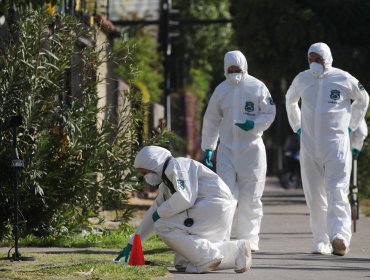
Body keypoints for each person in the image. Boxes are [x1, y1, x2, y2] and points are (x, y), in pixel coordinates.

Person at [285, 42, 369, 256]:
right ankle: (321, 240)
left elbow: (363, 98)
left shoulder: (343, 78)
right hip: (310, 145)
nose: (314, 63)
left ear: (328, 59)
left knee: (337, 190)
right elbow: (290, 100)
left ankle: (339, 237)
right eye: (311, 59)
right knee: (314, 195)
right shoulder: (302, 79)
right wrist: (297, 126)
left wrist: (352, 125)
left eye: (318, 59)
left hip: (337, 145)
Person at [117, 146, 252, 274]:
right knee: (182, 261)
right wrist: (134, 241)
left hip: (211, 206)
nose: (145, 177)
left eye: (145, 172)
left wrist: (160, 213)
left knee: (162, 225)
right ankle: (237, 252)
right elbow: (154, 212)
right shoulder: (166, 183)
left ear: (153, 164)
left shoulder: (177, 166)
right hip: (215, 210)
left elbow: (185, 198)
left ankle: (207, 257)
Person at [201, 50, 276, 251]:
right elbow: (211, 119)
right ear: (225, 70)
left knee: (250, 197)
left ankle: (248, 241)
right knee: (224, 196)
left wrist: (253, 124)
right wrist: (209, 147)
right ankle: (222, 238)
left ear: (244, 67)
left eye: (238, 69)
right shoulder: (221, 90)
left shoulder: (257, 87)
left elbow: (270, 112)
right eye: (231, 70)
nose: (234, 73)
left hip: (251, 150)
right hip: (226, 150)